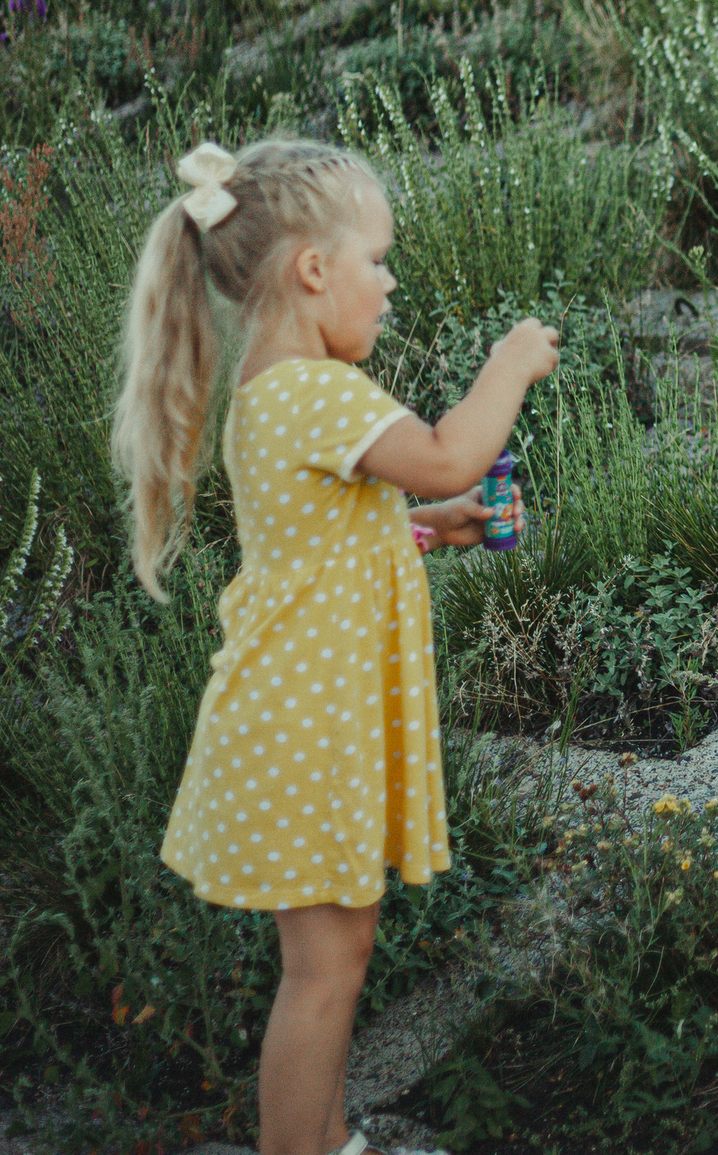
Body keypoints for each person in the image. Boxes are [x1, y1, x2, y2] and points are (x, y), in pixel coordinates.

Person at [112, 138, 559, 1155]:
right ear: (314, 269)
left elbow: (323, 541)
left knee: (336, 959)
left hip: (302, 719)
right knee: (321, 975)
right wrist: (508, 366)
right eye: (377, 260)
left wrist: (432, 526)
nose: (389, 282)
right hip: (305, 729)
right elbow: (448, 449)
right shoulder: (315, 392)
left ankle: (325, 1140)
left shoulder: (277, 392)